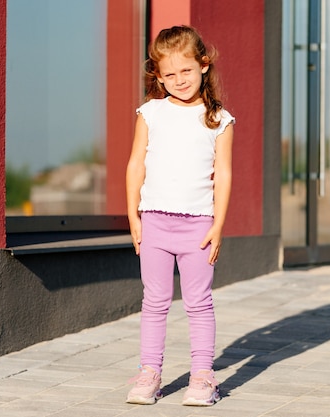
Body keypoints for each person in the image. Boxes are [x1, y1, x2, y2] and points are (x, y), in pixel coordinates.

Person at [125, 25, 234, 407]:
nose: (178, 80)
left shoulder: (219, 118)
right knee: (154, 301)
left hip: (199, 226)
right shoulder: (150, 112)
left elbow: (224, 175)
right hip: (154, 220)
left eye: (185, 71)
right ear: (157, 76)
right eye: (168, 74)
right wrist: (133, 216)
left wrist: (218, 225)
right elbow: (136, 164)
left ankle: (203, 376)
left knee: (198, 301)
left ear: (203, 65)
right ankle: (149, 374)